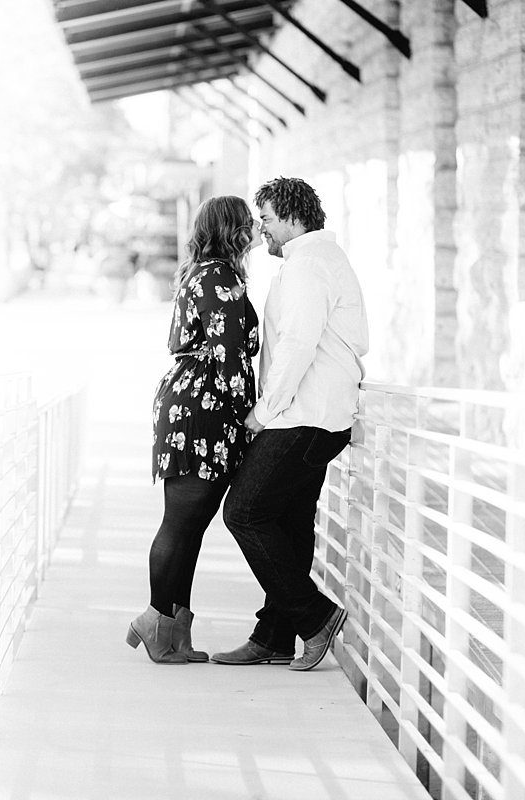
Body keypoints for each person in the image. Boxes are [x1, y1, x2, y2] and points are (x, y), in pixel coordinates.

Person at [210, 177, 369, 670]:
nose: (263, 233)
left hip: (303, 417)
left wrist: (262, 413)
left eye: (268, 221)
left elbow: (298, 345)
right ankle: (274, 636)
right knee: (290, 523)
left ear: (292, 217)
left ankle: (315, 617)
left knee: (244, 512)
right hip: (318, 415)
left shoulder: (307, 265)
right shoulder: (317, 260)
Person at [126, 196, 261, 664]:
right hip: (204, 408)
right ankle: (155, 619)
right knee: (181, 521)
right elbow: (227, 356)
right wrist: (252, 415)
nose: (257, 230)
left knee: (192, 526)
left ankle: (175, 631)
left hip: (200, 405)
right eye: (249, 223)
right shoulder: (218, 276)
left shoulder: (209, 272)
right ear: (232, 229)